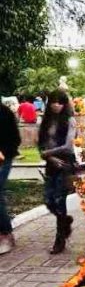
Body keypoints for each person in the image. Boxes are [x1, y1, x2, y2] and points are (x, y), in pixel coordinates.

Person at [38, 90, 76, 254]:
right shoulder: (46, 121)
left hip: (65, 164)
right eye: (53, 101)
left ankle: (60, 239)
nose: (56, 105)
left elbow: (69, 146)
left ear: (65, 104)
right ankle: (65, 221)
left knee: (60, 202)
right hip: (52, 163)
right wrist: (48, 157)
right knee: (48, 200)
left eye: (60, 102)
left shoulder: (70, 120)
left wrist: (48, 154)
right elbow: (41, 145)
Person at [0, 101, 21, 254]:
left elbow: (15, 139)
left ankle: (6, 233)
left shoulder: (4, 112)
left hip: (2, 159)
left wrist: (3, 151)